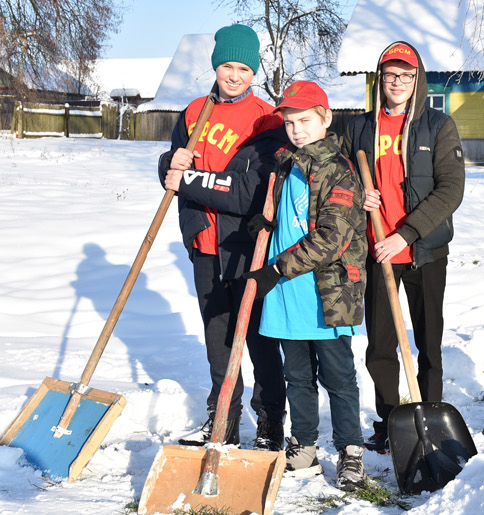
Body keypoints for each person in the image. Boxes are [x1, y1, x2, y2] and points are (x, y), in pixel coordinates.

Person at [158, 23, 288, 450]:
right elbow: (170, 168)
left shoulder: (267, 120)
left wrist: (188, 180)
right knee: (218, 339)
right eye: (227, 66)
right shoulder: (194, 112)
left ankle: (270, 422)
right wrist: (170, 164)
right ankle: (223, 421)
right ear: (216, 66)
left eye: (244, 69)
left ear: (254, 73)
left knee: (259, 339)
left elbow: (249, 191)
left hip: (247, 246)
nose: (235, 76)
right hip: (205, 243)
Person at [241, 81, 368, 489]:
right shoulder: (286, 164)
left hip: (325, 293)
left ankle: (350, 451)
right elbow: (293, 217)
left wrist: (276, 269)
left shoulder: (339, 170)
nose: (297, 130)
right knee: (296, 376)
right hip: (287, 295)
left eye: (305, 121)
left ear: (325, 119)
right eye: (290, 122)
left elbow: (332, 238)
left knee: (339, 378)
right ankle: (305, 445)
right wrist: (267, 224)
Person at [343, 41, 464, 452]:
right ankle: (389, 420)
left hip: (424, 250)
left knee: (428, 341)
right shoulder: (359, 128)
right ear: (381, 79)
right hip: (377, 250)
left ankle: (431, 415)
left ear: (418, 80)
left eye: (406, 75)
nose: (397, 82)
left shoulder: (438, 125)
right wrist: (357, 195)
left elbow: (451, 189)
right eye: (390, 75)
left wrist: (407, 233)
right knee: (380, 345)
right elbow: (339, 180)